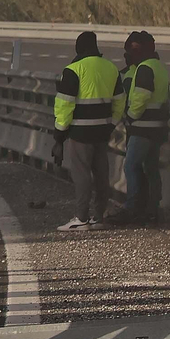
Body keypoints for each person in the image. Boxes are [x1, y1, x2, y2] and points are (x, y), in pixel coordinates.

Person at [51, 31, 124, 232]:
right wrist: (111, 124)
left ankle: (81, 217)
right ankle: (99, 216)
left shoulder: (74, 69)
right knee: (101, 173)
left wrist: (59, 135)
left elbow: (65, 106)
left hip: (80, 132)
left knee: (82, 174)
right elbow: (120, 101)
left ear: (78, 48)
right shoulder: (111, 68)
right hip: (102, 131)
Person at [115, 31, 170, 224]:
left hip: (143, 127)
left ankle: (133, 209)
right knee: (151, 168)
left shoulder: (145, 68)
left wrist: (130, 117)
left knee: (131, 166)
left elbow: (141, 97)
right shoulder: (159, 67)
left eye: (131, 50)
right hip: (157, 128)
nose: (129, 55)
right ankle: (152, 210)